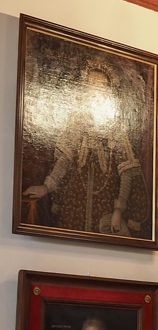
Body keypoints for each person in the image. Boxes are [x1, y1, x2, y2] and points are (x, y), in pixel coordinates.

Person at [23, 62, 149, 238]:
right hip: (75, 204)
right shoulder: (76, 122)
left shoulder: (116, 128)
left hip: (105, 206)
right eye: (92, 86)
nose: (96, 91)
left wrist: (118, 210)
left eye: (102, 87)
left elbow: (127, 173)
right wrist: (46, 186)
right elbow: (64, 162)